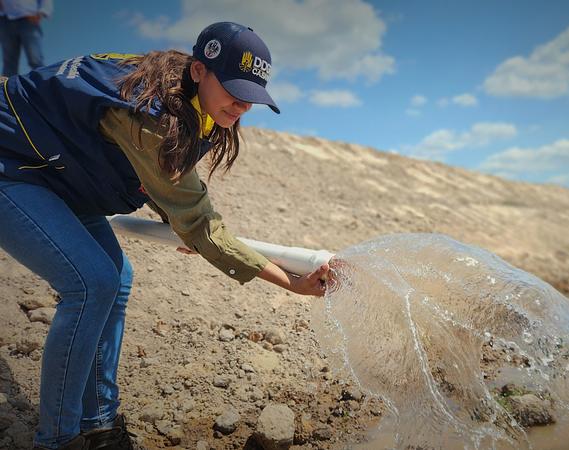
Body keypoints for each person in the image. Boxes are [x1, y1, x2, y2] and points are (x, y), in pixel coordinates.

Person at [0, 22, 329, 449]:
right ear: (198, 71)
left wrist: (185, 223)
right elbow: (200, 223)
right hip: (13, 166)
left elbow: (166, 191)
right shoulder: (151, 115)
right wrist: (293, 283)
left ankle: (98, 425)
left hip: (57, 173)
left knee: (115, 281)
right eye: (234, 89)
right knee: (91, 284)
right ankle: (59, 440)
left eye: (252, 96)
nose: (243, 105)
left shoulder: (192, 102)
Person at [0, 0, 53, 76]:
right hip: (5, 20)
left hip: (28, 19)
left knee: (35, 59)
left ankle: (44, 84)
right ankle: (7, 87)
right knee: (9, 62)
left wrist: (42, 12)